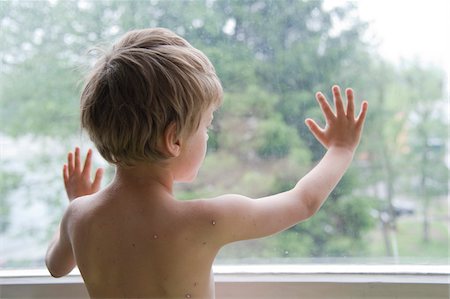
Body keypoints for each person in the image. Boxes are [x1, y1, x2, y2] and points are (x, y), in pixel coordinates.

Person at [45, 27, 368, 299]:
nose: (209, 136)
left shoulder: (79, 217)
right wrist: (340, 149)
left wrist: (80, 202)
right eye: (206, 126)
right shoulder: (205, 220)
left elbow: (56, 267)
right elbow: (303, 202)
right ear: (173, 140)